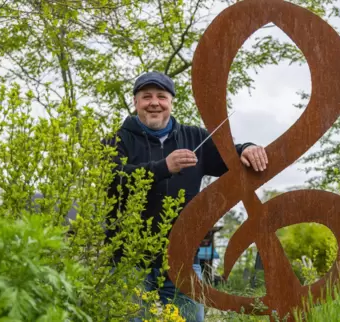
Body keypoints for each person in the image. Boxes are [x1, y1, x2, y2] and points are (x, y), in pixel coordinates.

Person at [103, 71, 268, 322]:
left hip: (183, 259)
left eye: (161, 96)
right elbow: (112, 180)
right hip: (129, 260)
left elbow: (229, 159)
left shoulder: (196, 137)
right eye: (146, 97)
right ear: (136, 102)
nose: (154, 102)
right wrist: (162, 167)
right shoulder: (116, 141)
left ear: (171, 102)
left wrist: (247, 148)